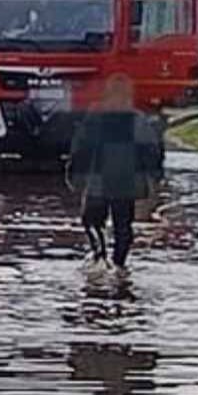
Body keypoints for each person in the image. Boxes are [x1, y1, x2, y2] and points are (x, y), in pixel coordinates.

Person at [67, 74, 163, 270]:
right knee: (122, 227)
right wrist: (154, 175)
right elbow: (151, 150)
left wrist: (74, 173)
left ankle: (101, 255)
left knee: (92, 221)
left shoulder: (95, 119)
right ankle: (119, 264)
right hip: (125, 182)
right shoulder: (137, 120)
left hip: (99, 182)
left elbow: (81, 149)